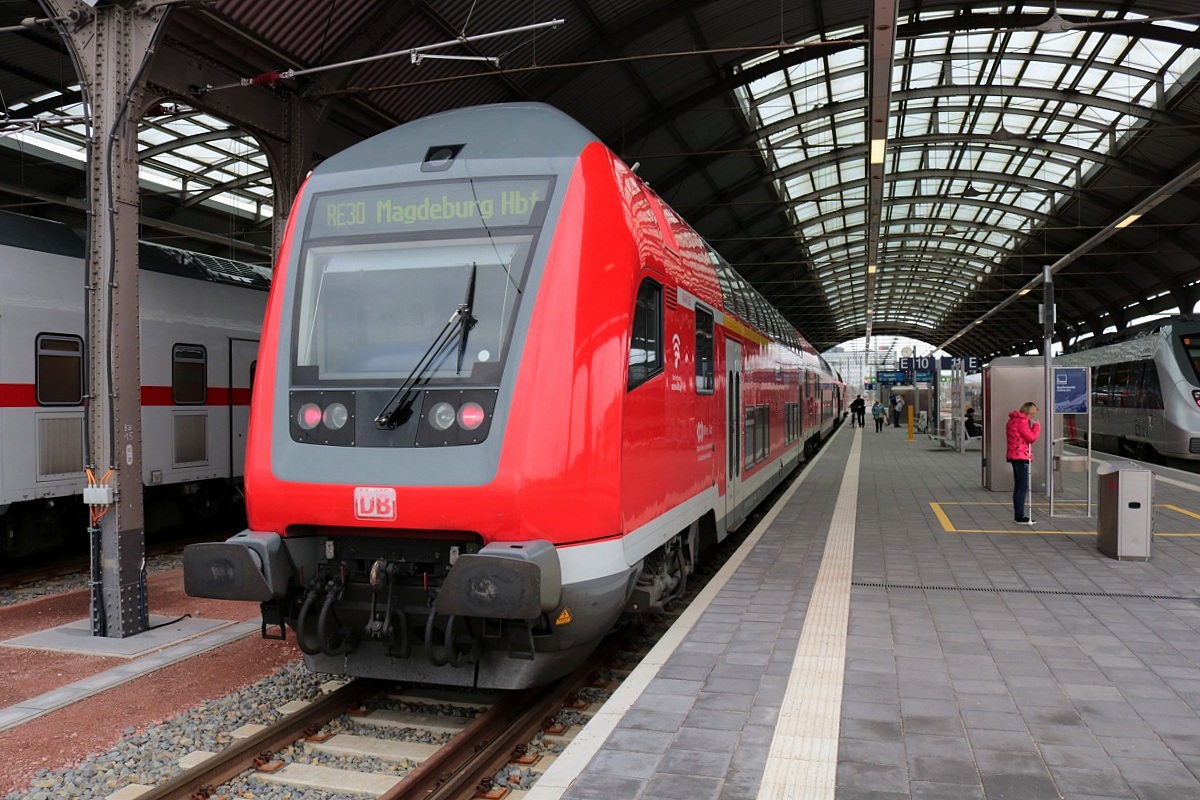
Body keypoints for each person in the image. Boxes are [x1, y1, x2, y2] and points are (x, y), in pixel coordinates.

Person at [1006, 402, 1041, 525]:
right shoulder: (1022, 421)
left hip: (1014, 455)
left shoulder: (1012, 420)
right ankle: (1020, 516)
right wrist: (1036, 427)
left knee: (1019, 486)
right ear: (1028, 412)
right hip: (1021, 456)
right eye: (1033, 414)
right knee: (1022, 486)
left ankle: (1018, 514)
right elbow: (1031, 438)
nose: (1033, 417)